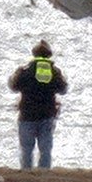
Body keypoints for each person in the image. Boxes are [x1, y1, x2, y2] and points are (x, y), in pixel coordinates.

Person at [8, 40, 68, 169]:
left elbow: (13, 87)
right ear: (49, 55)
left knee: (26, 150)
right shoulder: (54, 72)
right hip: (47, 114)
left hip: (26, 115)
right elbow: (63, 89)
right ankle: (44, 176)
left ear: (34, 54)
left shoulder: (25, 71)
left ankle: (26, 175)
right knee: (45, 150)